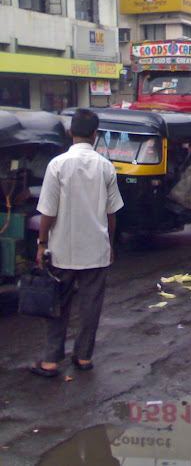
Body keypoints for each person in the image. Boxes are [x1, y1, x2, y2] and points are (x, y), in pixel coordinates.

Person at [30, 109, 124, 378]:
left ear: (70, 132)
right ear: (96, 135)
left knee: (57, 304)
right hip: (96, 250)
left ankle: (50, 361)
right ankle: (83, 357)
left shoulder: (57, 165)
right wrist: (110, 244)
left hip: (62, 249)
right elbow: (111, 213)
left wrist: (41, 243)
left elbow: (47, 211)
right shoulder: (106, 166)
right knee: (91, 306)